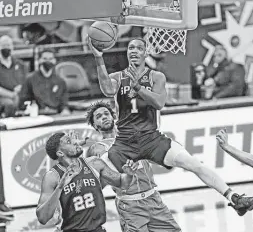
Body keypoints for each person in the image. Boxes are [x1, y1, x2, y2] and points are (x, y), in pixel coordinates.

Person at [89, 37, 253, 220]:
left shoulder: (156, 76)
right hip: (125, 142)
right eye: (130, 48)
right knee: (96, 173)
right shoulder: (118, 77)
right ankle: (75, 212)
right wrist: (98, 58)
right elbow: (107, 90)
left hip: (151, 138)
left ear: (146, 52)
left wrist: (138, 88)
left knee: (194, 164)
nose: (133, 51)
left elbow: (159, 103)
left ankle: (234, 198)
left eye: (138, 48)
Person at [86, 101, 181, 232]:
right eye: (98, 116)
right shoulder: (96, 149)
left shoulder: (134, 134)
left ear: (114, 117)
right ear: (95, 125)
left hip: (153, 198)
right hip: (130, 204)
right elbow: (97, 184)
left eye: (106, 114)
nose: (104, 117)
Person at [36, 132, 137, 232]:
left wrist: (129, 175)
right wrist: (60, 188)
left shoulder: (95, 163)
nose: (75, 141)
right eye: (69, 141)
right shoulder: (52, 177)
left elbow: (122, 183)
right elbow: (42, 218)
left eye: (73, 139)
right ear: (60, 153)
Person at [19, 49, 70, 115]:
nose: (48, 61)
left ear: (55, 61)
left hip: (56, 115)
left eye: (50, 58)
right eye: (45, 58)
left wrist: (65, 110)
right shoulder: (30, 79)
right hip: (37, 115)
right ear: (40, 60)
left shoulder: (60, 81)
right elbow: (23, 102)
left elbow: (64, 102)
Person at [0, 35, 26, 117]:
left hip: (18, 95)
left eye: (8, 45)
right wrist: (11, 94)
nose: (6, 48)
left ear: (12, 47)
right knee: (10, 103)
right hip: (3, 96)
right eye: (4, 45)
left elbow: (25, 81)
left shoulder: (20, 64)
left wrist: (20, 88)